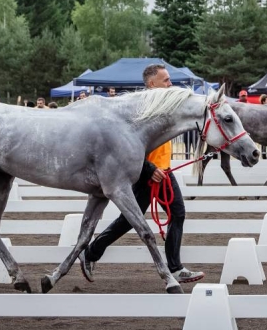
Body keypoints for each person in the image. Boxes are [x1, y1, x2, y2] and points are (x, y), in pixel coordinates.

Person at [83, 63, 204, 284]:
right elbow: (127, 144)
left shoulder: (167, 105)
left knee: (177, 214)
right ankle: (91, 253)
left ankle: (176, 268)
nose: (170, 83)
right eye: (166, 80)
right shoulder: (139, 109)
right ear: (152, 83)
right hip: (144, 173)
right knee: (128, 220)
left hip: (164, 171)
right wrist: (149, 169)